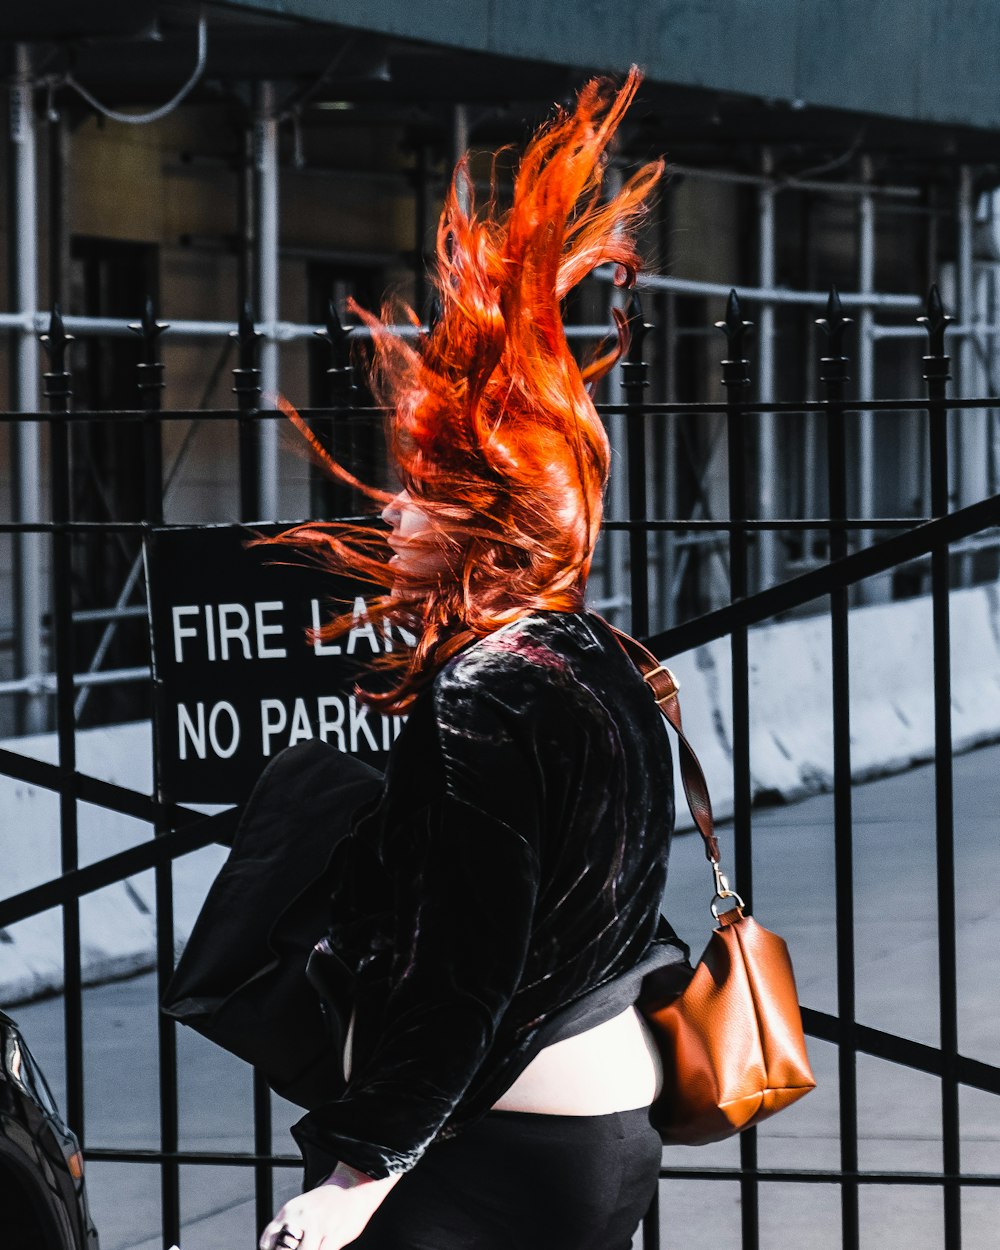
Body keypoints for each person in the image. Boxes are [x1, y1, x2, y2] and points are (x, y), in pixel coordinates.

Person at [257, 67, 687, 1250]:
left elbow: (465, 970)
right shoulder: (597, 659)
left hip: (498, 1149)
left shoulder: (487, 689)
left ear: (474, 521)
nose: (391, 519)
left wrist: (356, 1179)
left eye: (416, 495)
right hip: (600, 1123)